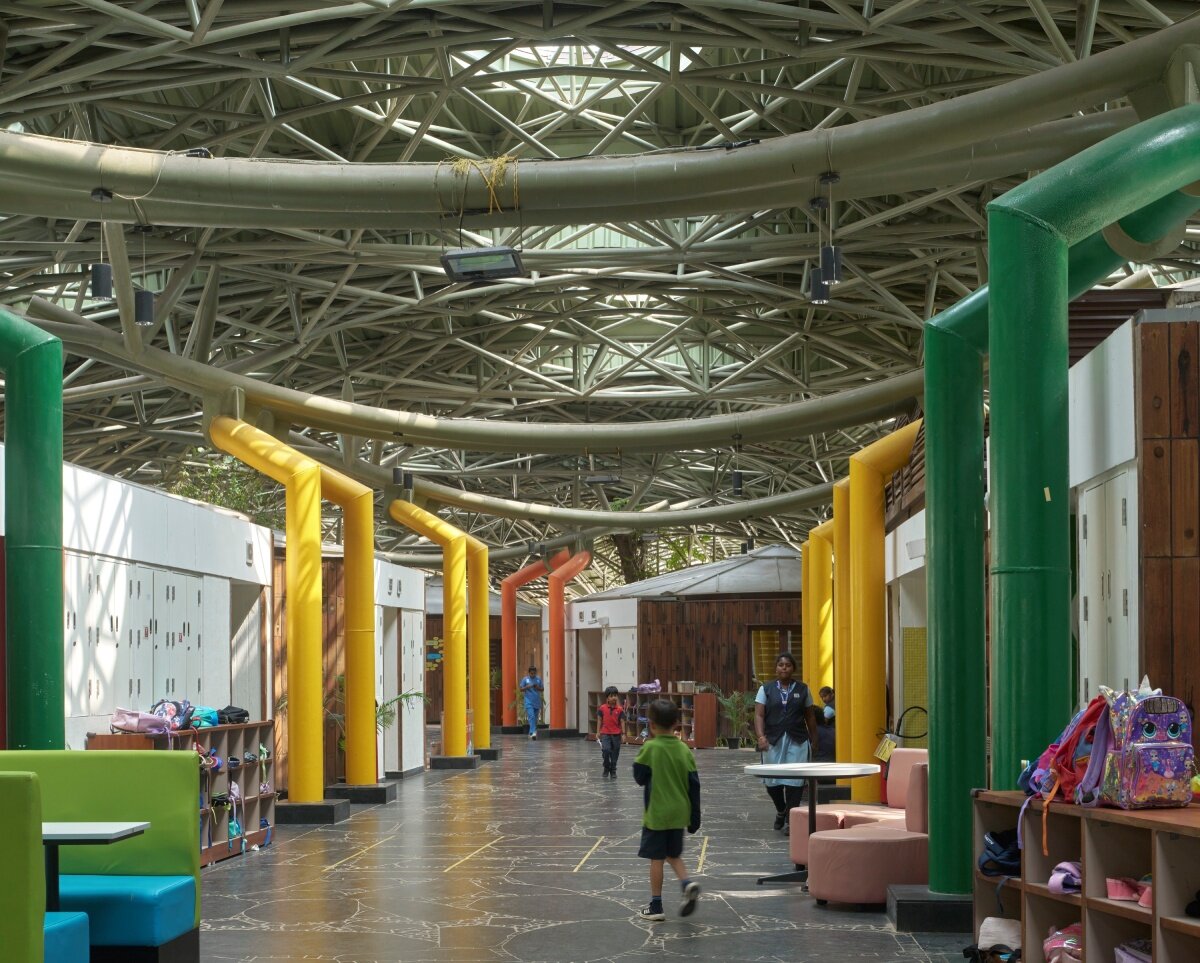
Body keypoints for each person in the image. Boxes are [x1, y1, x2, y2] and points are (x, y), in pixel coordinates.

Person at [632, 698, 702, 921]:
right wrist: (695, 816)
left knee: (656, 858)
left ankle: (656, 906)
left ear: (651, 725)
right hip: (680, 813)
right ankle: (686, 883)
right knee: (673, 854)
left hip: (657, 815)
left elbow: (639, 778)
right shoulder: (684, 749)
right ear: (676, 724)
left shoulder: (650, 748)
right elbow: (694, 784)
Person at [754, 652, 819, 834]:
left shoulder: (803, 689)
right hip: (773, 740)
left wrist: (815, 739)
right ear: (776, 668)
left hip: (797, 740)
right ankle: (781, 810)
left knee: (795, 782)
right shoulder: (765, 689)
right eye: (781, 665)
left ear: (793, 669)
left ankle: (791, 819)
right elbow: (759, 714)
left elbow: (810, 716)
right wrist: (761, 736)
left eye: (788, 665)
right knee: (772, 782)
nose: (784, 668)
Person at [597, 686, 626, 778]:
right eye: (611, 696)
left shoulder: (620, 709)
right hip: (605, 734)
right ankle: (606, 767)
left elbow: (622, 721)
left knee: (615, 753)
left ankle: (613, 770)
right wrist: (598, 732)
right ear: (607, 698)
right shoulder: (602, 708)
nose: (614, 698)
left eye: (615, 695)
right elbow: (599, 720)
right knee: (606, 750)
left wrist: (624, 734)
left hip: (616, 735)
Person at [519, 665, 544, 739]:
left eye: (534, 673)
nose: (533, 675)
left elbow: (542, 689)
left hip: (536, 701)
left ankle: (531, 733)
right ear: (529, 673)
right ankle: (533, 732)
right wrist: (527, 687)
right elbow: (521, 689)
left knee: (535, 718)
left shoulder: (538, 679)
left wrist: (537, 687)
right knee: (531, 716)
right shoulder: (525, 679)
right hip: (528, 701)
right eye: (531, 673)